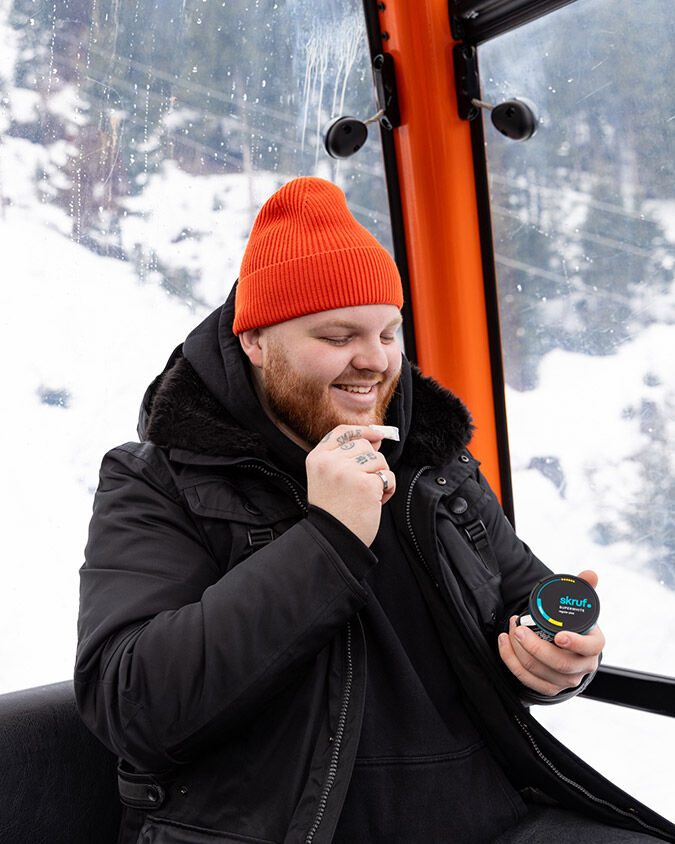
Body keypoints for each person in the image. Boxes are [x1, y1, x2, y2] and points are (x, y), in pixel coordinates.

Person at [76, 177, 674, 844]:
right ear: (255, 341)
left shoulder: (431, 461)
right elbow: (133, 707)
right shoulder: (158, 481)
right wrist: (328, 539)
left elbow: (520, 596)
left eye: (389, 332)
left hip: (497, 815)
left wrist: (557, 661)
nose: (376, 361)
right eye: (338, 336)